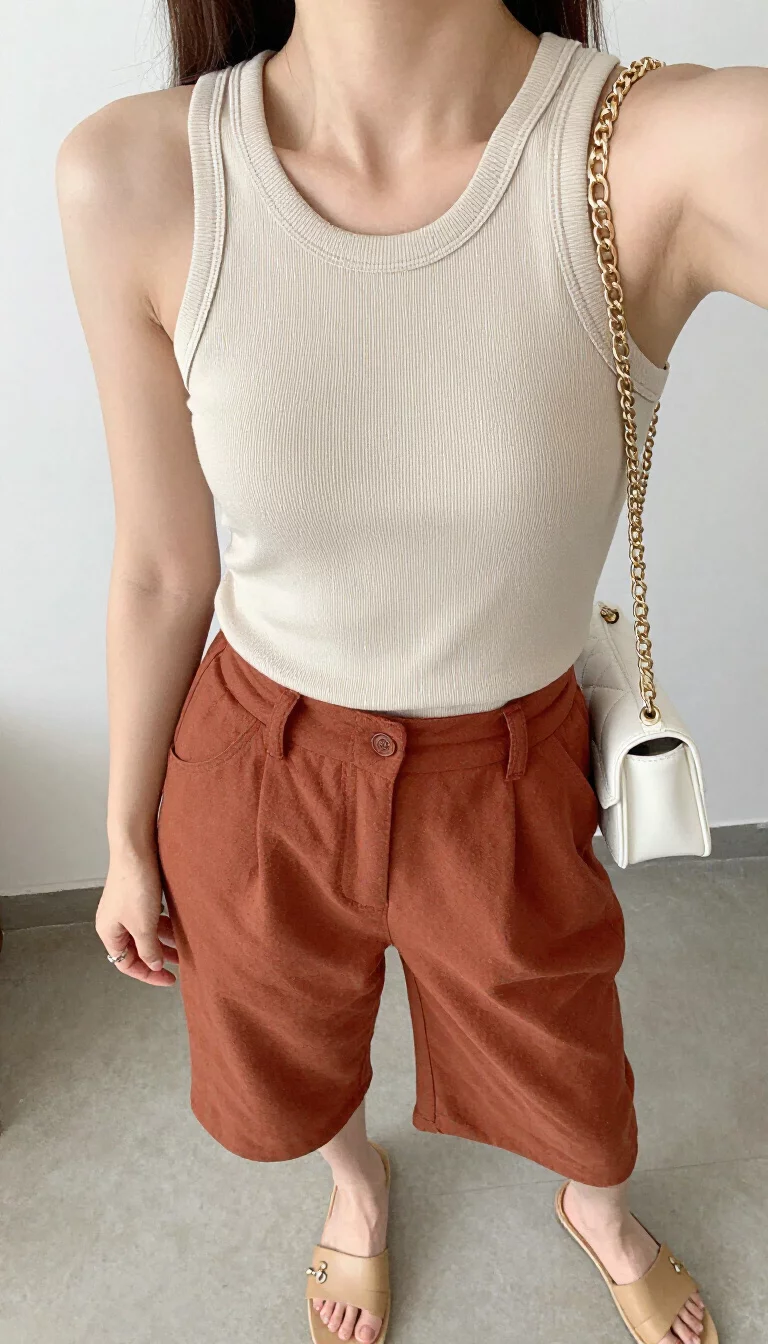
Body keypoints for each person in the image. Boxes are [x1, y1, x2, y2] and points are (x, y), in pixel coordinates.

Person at [55, 2, 765, 1341]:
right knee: (283, 1042)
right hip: (253, 762)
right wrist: (121, 834)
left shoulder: (651, 149)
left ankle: (596, 1206)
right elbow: (161, 566)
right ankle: (357, 1191)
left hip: (506, 770)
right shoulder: (133, 171)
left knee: (567, 1053)